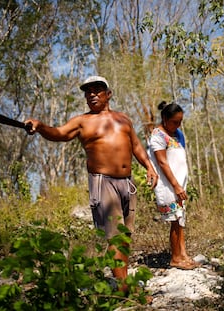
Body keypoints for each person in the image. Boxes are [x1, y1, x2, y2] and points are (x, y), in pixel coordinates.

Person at [25, 75, 158, 292]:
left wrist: (149, 167)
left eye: (97, 90)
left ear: (108, 94)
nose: (92, 94)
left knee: (124, 237)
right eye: (88, 91)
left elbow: (136, 146)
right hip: (102, 182)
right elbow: (59, 134)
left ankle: (122, 283)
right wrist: (40, 126)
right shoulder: (81, 121)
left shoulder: (123, 119)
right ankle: (125, 290)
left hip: (127, 182)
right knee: (115, 236)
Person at [148, 101, 198, 270]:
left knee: (180, 220)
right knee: (175, 219)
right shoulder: (157, 136)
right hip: (168, 186)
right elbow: (162, 163)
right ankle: (175, 257)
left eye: (180, 121)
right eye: (175, 121)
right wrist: (176, 186)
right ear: (164, 118)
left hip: (179, 184)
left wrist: (181, 185)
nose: (178, 125)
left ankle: (183, 254)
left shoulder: (177, 134)